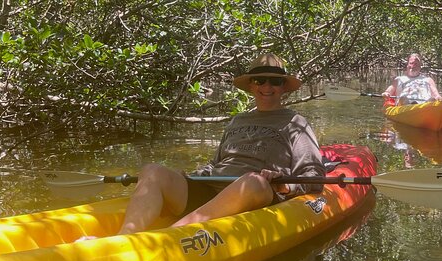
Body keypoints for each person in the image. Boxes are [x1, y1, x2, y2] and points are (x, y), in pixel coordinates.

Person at [113, 53, 325, 235]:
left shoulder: (296, 123)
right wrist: (191, 175)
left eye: (274, 81)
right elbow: (216, 164)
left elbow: (314, 175)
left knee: (253, 181)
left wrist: (285, 185)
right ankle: (124, 237)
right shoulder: (237, 121)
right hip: (212, 192)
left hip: (256, 193)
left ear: (283, 87)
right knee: (152, 170)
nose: (267, 86)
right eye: (260, 80)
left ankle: (171, 236)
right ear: (251, 86)